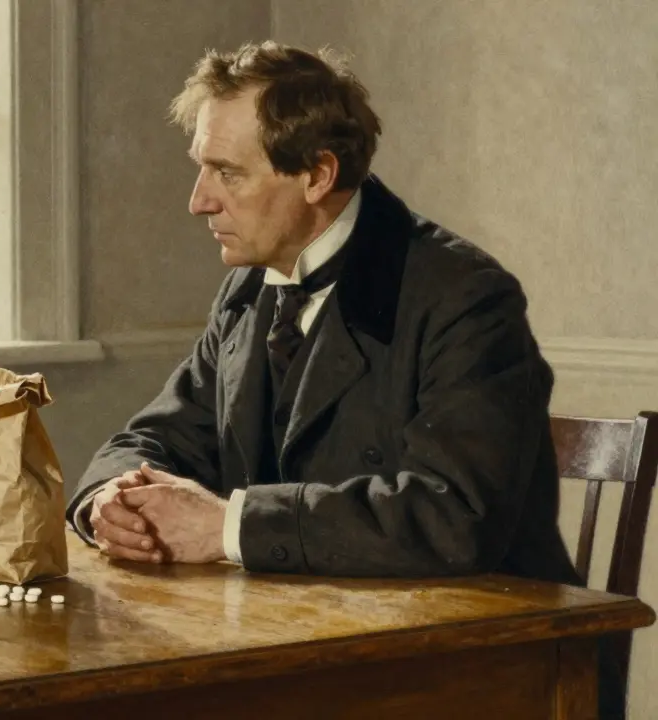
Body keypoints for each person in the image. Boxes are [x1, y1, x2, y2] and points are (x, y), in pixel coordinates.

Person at [64, 42, 621, 717]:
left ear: (318, 174)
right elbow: (157, 434)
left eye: (227, 173)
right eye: (201, 169)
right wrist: (110, 500)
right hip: (301, 651)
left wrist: (228, 526)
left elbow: (453, 515)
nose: (198, 201)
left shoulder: (465, 296)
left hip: (471, 670)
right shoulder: (250, 286)